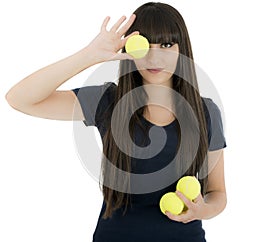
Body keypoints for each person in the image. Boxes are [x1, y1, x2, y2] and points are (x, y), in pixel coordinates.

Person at [5, 2, 227, 242]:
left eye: (166, 44)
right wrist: (88, 56)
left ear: (181, 49)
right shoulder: (107, 101)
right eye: (145, 45)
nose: (154, 57)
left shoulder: (205, 112)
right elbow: (19, 99)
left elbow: (217, 193)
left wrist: (202, 210)